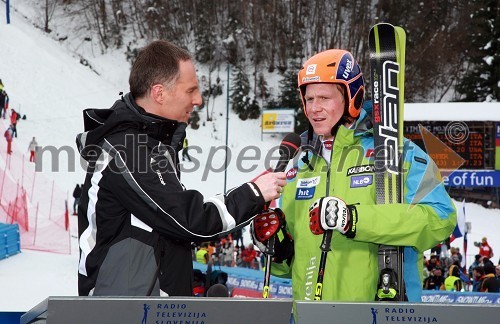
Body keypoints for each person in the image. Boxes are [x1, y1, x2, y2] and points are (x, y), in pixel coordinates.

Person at [75, 40, 286, 297]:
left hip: (147, 308)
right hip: (124, 314)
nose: (198, 100)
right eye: (191, 91)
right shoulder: (128, 150)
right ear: (159, 93)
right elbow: (189, 220)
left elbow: (170, 229)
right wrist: (253, 193)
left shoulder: (150, 144)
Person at [251, 48, 456, 308]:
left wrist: (354, 219)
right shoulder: (299, 166)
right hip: (311, 319)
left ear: (352, 97)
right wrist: (277, 248)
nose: (315, 108)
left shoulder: (396, 152)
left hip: (377, 316)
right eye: (309, 98)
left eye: (324, 97)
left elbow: (441, 218)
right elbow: (292, 265)